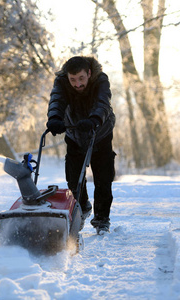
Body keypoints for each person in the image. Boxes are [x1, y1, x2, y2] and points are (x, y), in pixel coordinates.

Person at [46, 56, 116, 234]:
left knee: (103, 178)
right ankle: (82, 207)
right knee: (74, 178)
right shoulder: (62, 82)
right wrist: (54, 118)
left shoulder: (101, 80)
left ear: (89, 74)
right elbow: (57, 100)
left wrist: (94, 120)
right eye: (73, 80)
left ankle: (101, 220)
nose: (77, 84)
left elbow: (103, 103)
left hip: (100, 132)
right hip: (75, 133)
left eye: (81, 79)